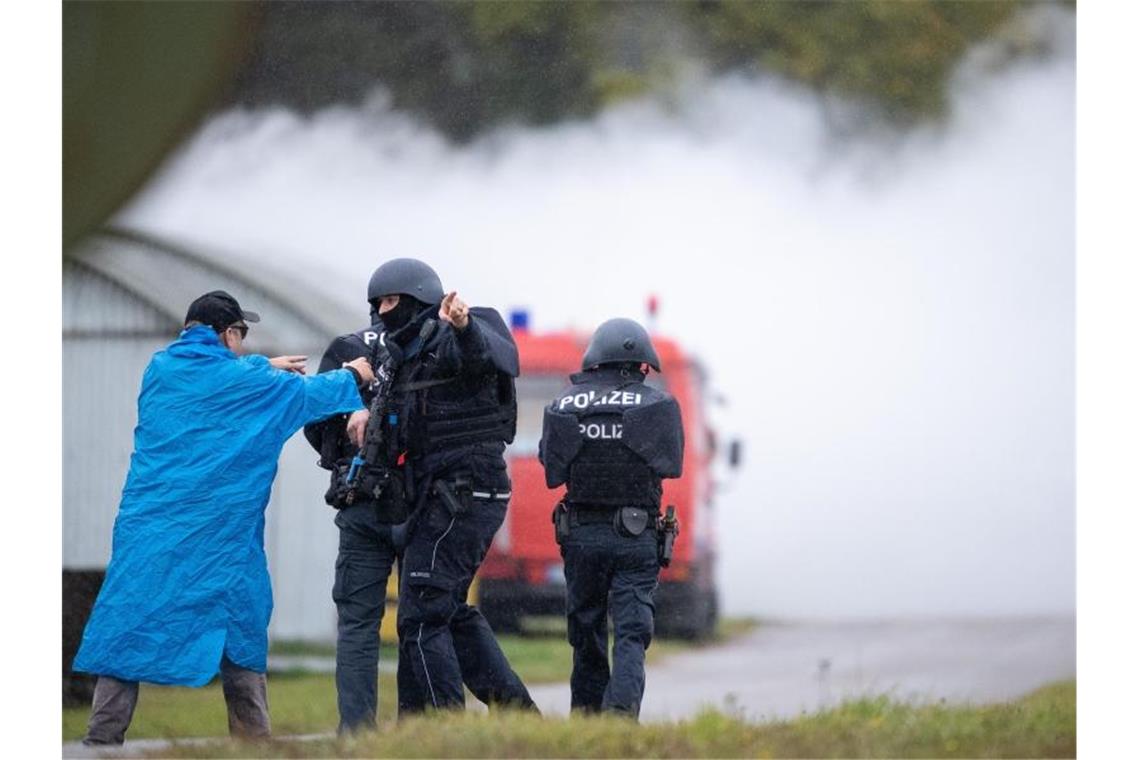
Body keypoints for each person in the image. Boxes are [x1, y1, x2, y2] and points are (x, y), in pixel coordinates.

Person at [72, 290, 375, 746]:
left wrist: (259, 366)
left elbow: (221, 382)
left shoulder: (160, 371)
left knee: (130, 624)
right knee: (240, 627)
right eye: (241, 337)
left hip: (149, 531)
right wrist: (352, 373)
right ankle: (253, 742)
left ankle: (100, 740)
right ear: (227, 334)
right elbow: (310, 395)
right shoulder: (246, 383)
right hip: (223, 538)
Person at [306, 258, 536, 728]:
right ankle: (506, 719)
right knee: (436, 610)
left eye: (391, 301)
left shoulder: (452, 333)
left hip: (448, 498)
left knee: (421, 616)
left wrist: (464, 325)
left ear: (418, 299)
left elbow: (486, 358)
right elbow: (335, 429)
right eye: (378, 303)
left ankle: (439, 732)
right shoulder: (397, 354)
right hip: (407, 501)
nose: (383, 310)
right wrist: (356, 410)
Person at [539, 318, 684, 719]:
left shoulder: (561, 404)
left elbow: (552, 470)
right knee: (631, 635)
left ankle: (586, 722)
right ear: (639, 365)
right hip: (635, 536)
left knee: (585, 634)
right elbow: (672, 464)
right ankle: (619, 721)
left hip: (581, 536)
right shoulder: (659, 405)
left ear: (595, 361)